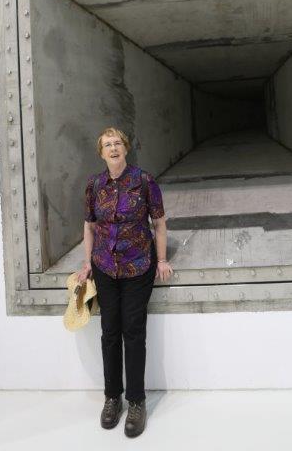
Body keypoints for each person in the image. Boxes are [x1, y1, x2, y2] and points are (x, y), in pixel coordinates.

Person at [77, 126, 173, 438]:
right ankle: (112, 398)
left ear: (126, 148)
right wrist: (87, 263)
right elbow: (90, 226)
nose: (114, 148)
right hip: (105, 267)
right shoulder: (94, 185)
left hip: (137, 266)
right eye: (108, 145)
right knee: (109, 333)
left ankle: (136, 401)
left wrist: (161, 260)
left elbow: (158, 223)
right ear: (101, 152)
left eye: (118, 143)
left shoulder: (144, 180)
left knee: (133, 333)